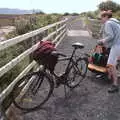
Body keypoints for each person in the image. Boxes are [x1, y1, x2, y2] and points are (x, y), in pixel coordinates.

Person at [98, 10, 120, 93]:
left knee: (111, 64)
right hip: (118, 44)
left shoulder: (108, 23)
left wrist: (102, 41)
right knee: (114, 63)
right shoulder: (115, 22)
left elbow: (111, 36)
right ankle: (111, 76)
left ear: (106, 17)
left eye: (102, 18)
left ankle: (115, 85)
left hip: (117, 45)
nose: (101, 20)